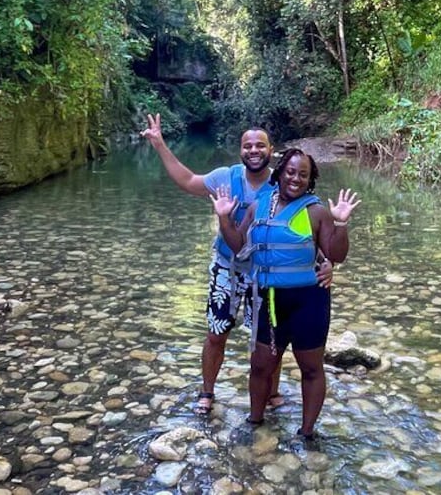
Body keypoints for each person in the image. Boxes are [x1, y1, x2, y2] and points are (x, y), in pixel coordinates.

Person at [140, 114, 332, 414]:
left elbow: (304, 230)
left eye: (260, 145)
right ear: (240, 150)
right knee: (217, 333)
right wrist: (160, 144)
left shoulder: (283, 182)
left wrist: (325, 261)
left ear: (271, 150)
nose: (253, 151)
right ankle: (207, 391)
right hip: (227, 268)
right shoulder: (224, 178)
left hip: (266, 276)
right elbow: (189, 181)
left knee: (271, 341)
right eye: (247, 146)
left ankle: (270, 393)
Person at [211, 148, 360, 439]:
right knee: (260, 365)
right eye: (290, 172)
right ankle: (254, 422)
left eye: (303, 174)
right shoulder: (258, 206)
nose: (295, 179)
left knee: (311, 368)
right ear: (279, 173)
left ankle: (306, 432)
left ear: (310, 179)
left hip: (309, 301)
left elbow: (336, 254)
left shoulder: (315, 211)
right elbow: (239, 245)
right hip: (269, 300)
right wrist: (224, 218)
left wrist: (340, 222)